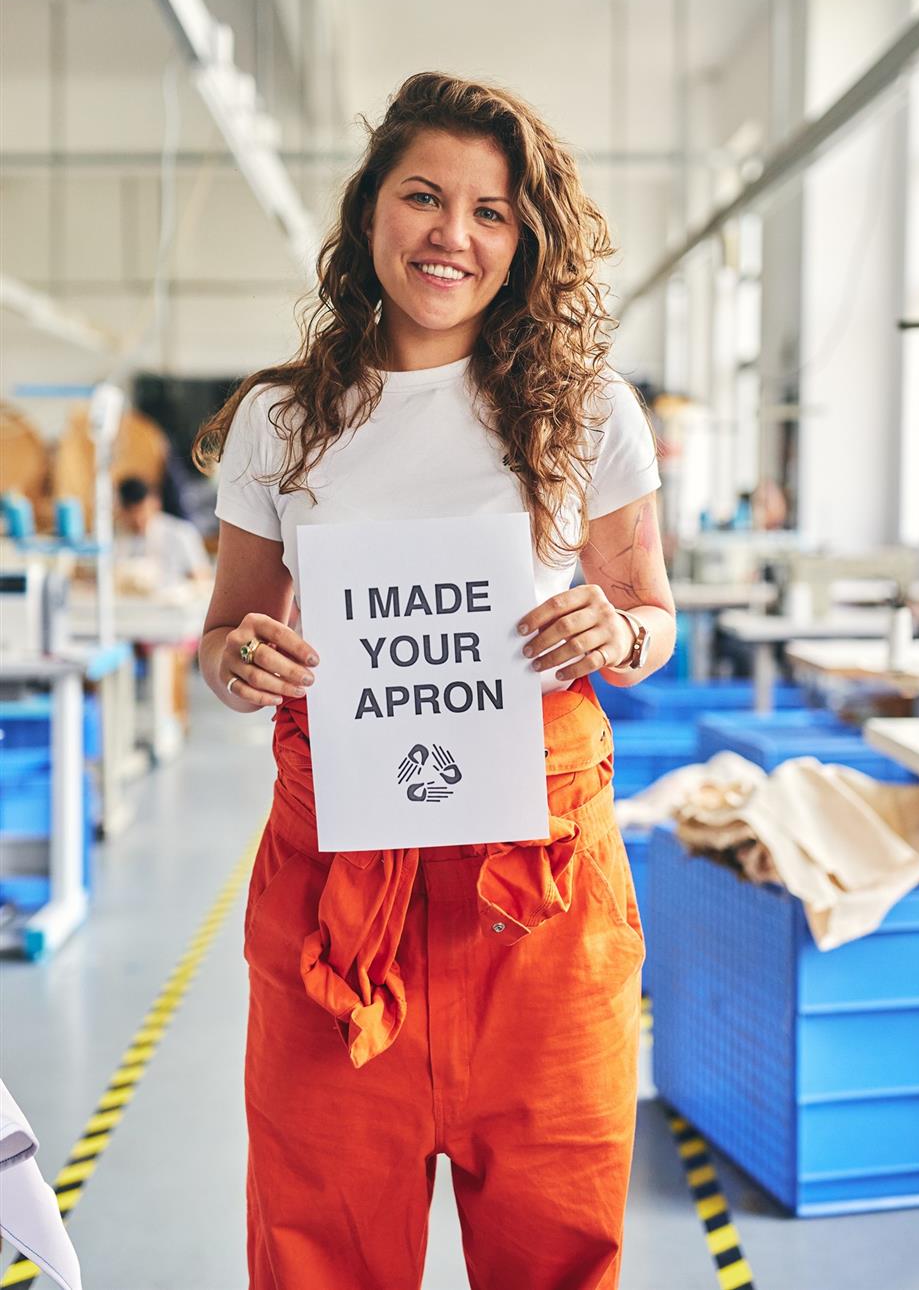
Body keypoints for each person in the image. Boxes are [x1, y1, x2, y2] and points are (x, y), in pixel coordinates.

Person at [194, 71, 675, 1290]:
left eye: (491, 211)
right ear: (370, 214)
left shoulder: (584, 411)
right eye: (422, 196)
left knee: (556, 1246)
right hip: (338, 887)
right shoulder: (282, 420)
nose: (451, 234)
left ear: (525, 242)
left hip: (541, 895)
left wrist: (616, 639)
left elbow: (650, 614)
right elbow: (225, 635)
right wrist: (241, 660)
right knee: (319, 1246)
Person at [114, 476, 212, 588]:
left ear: (155, 503)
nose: (138, 520)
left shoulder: (180, 532)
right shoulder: (115, 538)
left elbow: (202, 576)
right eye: (132, 514)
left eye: (143, 511)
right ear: (121, 512)